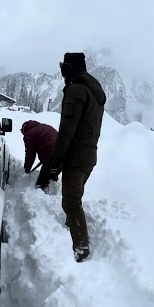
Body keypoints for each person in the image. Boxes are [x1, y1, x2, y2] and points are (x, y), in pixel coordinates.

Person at [49, 52, 107, 262]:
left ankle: (81, 249)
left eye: (62, 66)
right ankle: (71, 226)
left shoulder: (76, 91)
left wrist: (56, 159)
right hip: (89, 156)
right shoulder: (93, 91)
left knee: (71, 203)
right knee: (75, 198)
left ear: (70, 69)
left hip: (76, 157)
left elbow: (66, 131)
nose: (61, 71)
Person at [21, 120, 59, 192]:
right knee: (52, 173)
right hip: (63, 151)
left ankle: (43, 197)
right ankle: (53, 188)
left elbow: (30, 154)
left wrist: (27, 169)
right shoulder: (41, 127)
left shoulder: (29, 134)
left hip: (51, 154)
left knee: (41, 184)